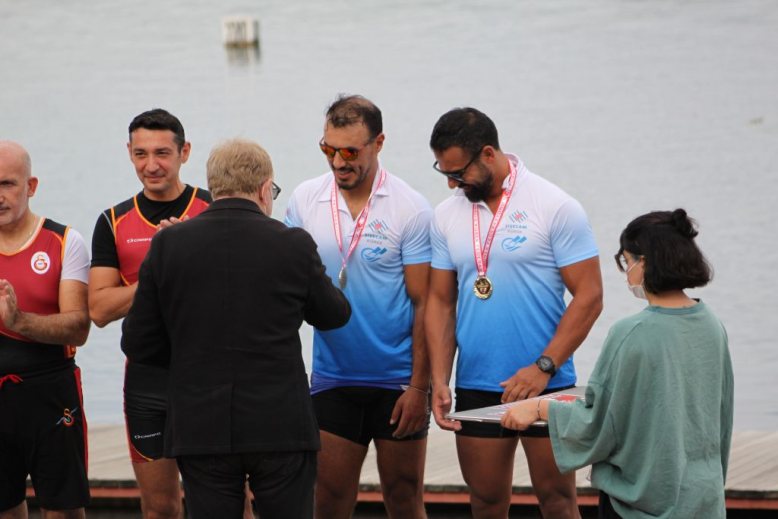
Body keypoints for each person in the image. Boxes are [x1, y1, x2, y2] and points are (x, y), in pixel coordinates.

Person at [121, 138, 351, 518]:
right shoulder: (292, 244)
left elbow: (138, 342)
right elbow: (335, 315)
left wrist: (185, 352)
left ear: (214, 188)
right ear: (264, 189)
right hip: (279, 423)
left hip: (200, 423)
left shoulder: (168, 246)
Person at [426, 107, 603, 518]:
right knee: (486, 503)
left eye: (458, 172)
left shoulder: (554, 205)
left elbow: (590, 296)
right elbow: (440, 303)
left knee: (558, 502)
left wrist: (543, 366)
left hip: (548, 383)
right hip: (477, 383)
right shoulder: (446, 214)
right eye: (444, 173)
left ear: (488, 154)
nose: (452, 183)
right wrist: (439, 379)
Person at [502, 209, 734, 519]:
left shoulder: (631, 332)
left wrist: (540, 408)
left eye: (626, 262)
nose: (626, 273)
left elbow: (601, 422)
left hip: (643, 501)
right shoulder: (712, 324)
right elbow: (722, 416)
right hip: (703, 497)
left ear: (644, 263)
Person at [285, 94, 432, 519]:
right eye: (328, 149)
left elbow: (425, 303)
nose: (337, 162)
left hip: (397, 383)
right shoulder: (305, 200)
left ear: (378, 143)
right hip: (332, 379)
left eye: (350, 152)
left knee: (404, 499)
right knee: (329, 501)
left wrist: (419, 388)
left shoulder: (410, 208)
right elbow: (288, 292)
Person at [88, 109, 211, 519]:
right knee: (160, 507)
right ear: (129, 152)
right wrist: (157, 268)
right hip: (148, 379)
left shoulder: (212, 209)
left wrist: (186, 253)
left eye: (162, 153)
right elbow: (99, 310)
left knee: (227, 504)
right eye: (141, 154)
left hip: (209, 376)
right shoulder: (113, 221)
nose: (151, 165)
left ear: (184, 152)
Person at [0, 141, 91, 519]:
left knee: (64, 510)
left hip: (51, 394)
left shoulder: (64, 241)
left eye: (7, 184)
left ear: (31, 186)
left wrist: (19, 321)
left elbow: (78, 327)